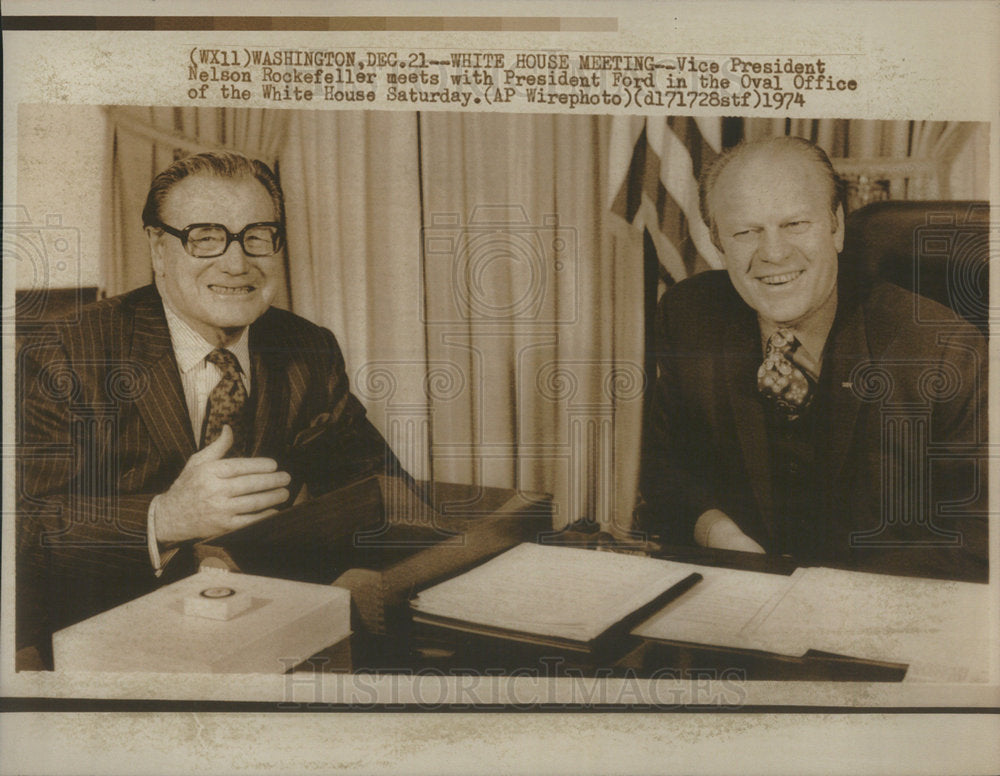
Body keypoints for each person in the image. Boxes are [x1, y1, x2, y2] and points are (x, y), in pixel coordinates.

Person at [17, 151, 406, 660]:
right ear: (159, 248)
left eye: (257, 235)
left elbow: (382, 494)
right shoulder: (68, 351)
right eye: (205, 237)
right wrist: (164, 517)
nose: (237, 262)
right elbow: (24, 529)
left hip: (267, 632)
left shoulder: (305, 348)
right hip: (108, 643)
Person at [638, 137, 987, 582]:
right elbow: (665, 469)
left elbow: (977, 540)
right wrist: (718, 533)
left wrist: (822, 596)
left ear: (836, 226)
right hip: (737, 601)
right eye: (746, 232)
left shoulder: (944, 351)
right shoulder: (691, 316)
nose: (774, 253)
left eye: (795, 224)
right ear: (717, 242)